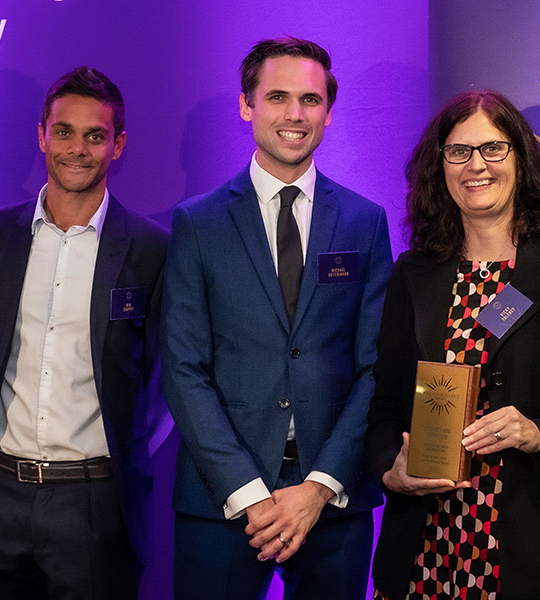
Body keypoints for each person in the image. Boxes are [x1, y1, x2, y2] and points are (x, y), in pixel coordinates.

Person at [162, 37, 392, 599]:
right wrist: (249, 492)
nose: (295, 114)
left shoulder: (365, 221)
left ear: (329, 113)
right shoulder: (198, 223)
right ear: (247, 105)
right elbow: (183, 368)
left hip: (332, 503)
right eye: (278, 97)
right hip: (224, 501)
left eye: (311, 100)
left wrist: (319, 486)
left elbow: (376, 368)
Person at [365, 90, 540, 599]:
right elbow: (386, 401)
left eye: (493, 149)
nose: (475, 165)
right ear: (440, 167)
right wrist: (392, 469)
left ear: (520, 158)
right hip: (427, 540)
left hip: (537, 543)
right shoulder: (413, 273)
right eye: (458, 151)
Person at [0, 66, 167, 599]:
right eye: (64, 132)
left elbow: (162, 377)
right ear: (41, 136)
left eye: (95, 135)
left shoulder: (151, 248)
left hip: (95, 502)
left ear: (117, 145)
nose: (78, 148)